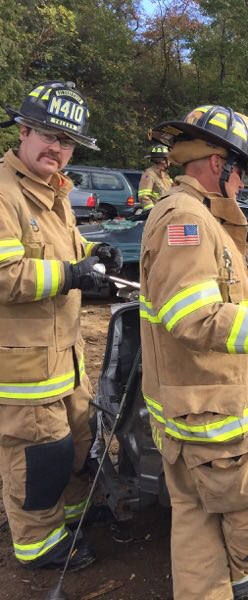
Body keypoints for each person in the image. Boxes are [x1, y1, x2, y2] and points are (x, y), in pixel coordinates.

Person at [143, 104, 248, 600]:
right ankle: (240, 585)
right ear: (220, 165)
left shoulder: (194, 215)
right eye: (243, 174)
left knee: (197, 527)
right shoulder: (188, 220)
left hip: (191, 411)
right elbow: (189, 314)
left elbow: (218, 300)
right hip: (213, 420)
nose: (246, 187)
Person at [0, 80, 122, 571]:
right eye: (48, 135)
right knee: (38, 457)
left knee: (75, 442)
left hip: (64, 358)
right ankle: (38, 544)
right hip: (23, 366)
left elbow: (65, 254)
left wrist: (93, 256)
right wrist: (72, 274)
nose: (57, 147)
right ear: (23, 130)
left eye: (67, 141)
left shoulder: (53, 193)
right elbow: (6, 274)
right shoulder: (6, 194)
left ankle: (69, 515)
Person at [138, 144, 173, 210]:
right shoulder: (149, 175)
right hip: (157, 213)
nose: (170, 162)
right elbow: (143, 196)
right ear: (162, 160)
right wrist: (152, 211)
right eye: (169, 159)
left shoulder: (165, 175)